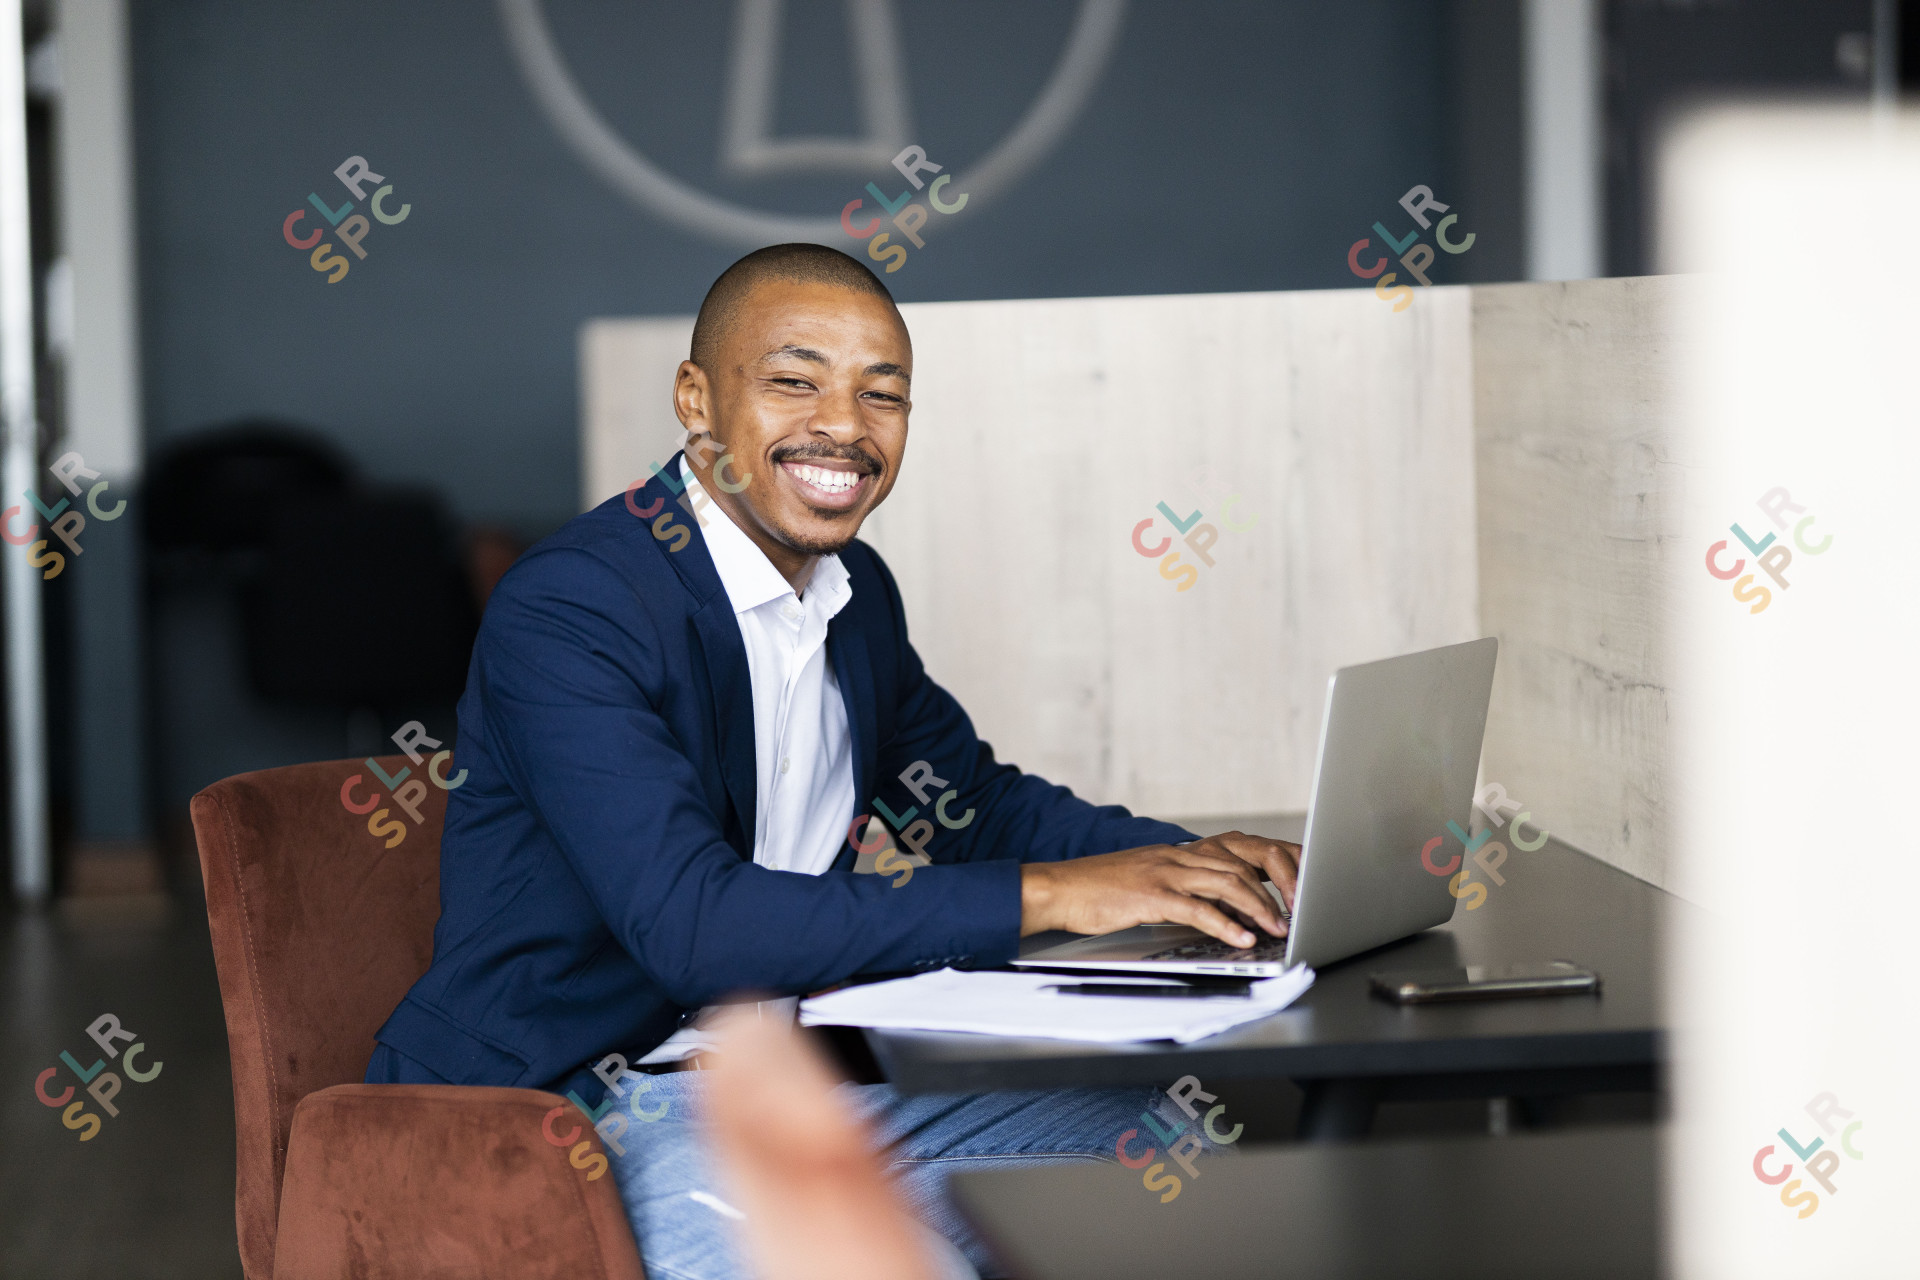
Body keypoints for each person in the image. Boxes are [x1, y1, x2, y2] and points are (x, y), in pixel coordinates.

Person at [365, 243, 1298, 1279]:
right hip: (587, 1107)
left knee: (1181, 1159)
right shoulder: (575, 605)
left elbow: (971, 804)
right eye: (794, 380)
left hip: (799, 1081)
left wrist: (1197, 868)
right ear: (696, 399)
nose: (846, 426)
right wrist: (1051, 895)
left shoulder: (854, 594)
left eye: (882, 394)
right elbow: (695, 927)